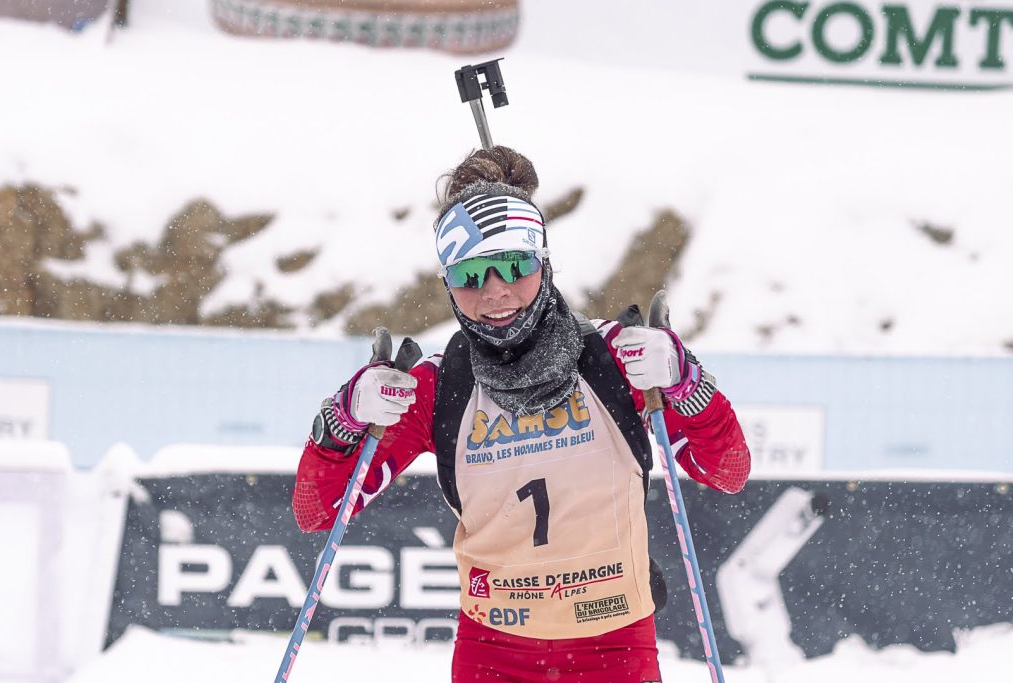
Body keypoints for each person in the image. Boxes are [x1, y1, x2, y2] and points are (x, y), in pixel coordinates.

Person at [294, 146, 751, 683]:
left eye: (514, 265)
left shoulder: (615, 359)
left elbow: (727, 470)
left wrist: (684, 380)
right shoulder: (438, 388)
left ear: (543, 262)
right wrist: (345, 418)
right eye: (469, 275)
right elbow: (316, 511)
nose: (495, 291)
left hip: (614, 647)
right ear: (447, 285)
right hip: (495, 654)